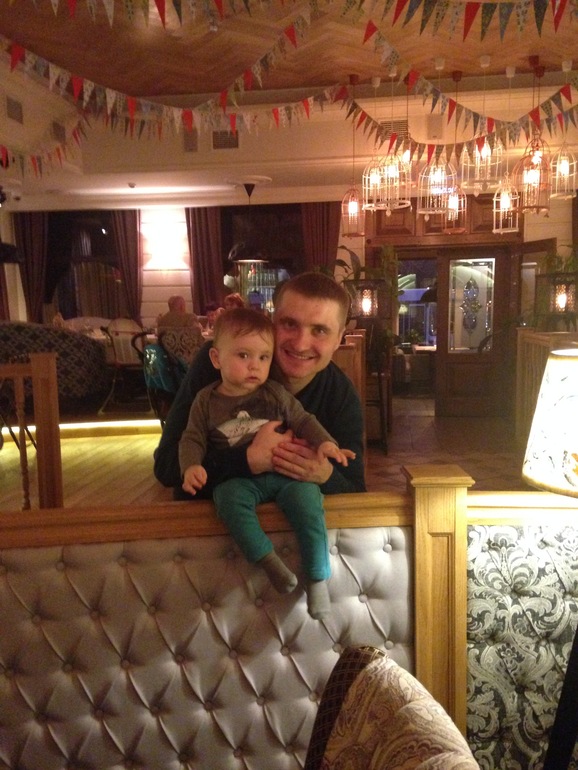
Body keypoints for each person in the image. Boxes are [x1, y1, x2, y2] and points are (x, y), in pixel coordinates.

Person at [179, 308, 355, 619]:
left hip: (285, 477)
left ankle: (317, 578)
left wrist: (326, 444)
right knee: (227, 500)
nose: (255, 366)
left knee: (309, 502)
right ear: (217, 359)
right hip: (239, 482)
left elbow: (303, 419)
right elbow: (191, 438)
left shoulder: (274, 392)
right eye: (243, 355)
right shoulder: (205, 400)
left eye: (263, 358)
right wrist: (191, 467)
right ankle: (269, 563)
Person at [154, 271, 366, 498]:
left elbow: (355, 491)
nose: (301, 344)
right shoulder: (222, 360)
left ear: (338, 339)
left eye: (320, 330)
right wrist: (246, 460)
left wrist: (325, 475)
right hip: (217, 515)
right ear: (272, 323)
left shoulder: (341, 394)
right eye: (289, 324)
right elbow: (166, 467)